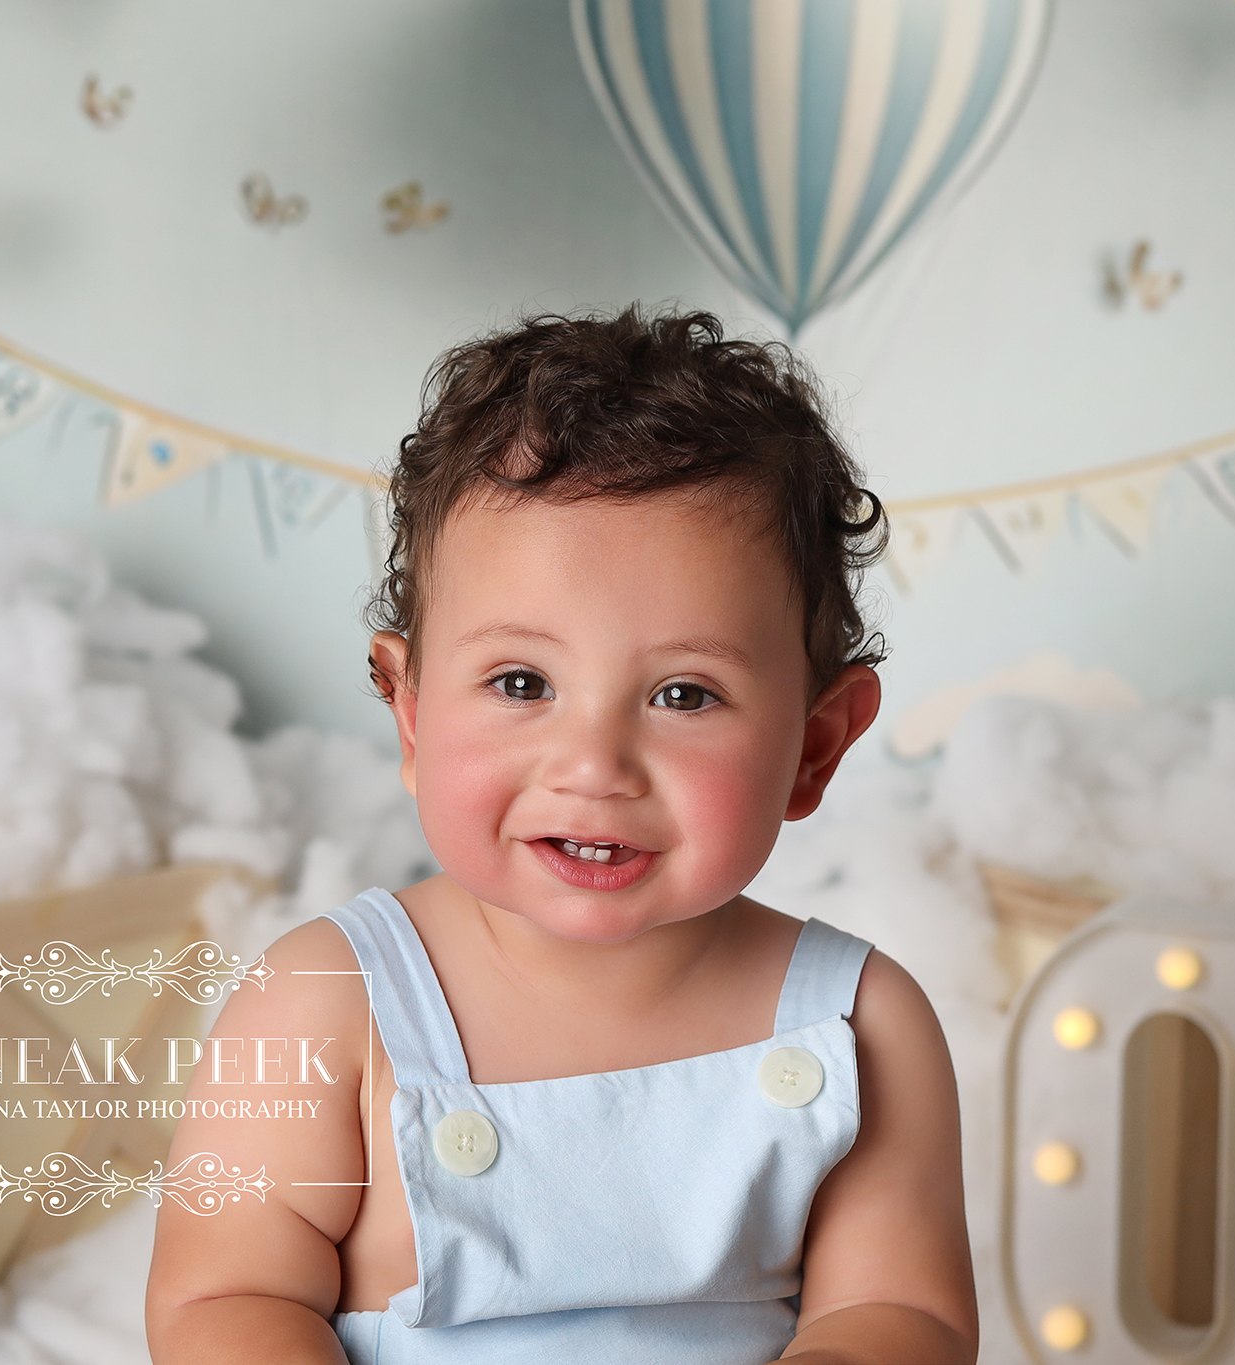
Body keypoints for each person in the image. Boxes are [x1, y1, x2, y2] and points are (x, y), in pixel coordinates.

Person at [145, 307, 976, 1364]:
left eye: (683, 693)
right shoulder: (325, 1003)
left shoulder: (858, 1025)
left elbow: (901, 1316)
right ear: (409, 715)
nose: (592, 765)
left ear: (813, 748)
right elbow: (221, 1300)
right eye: (520, 682)